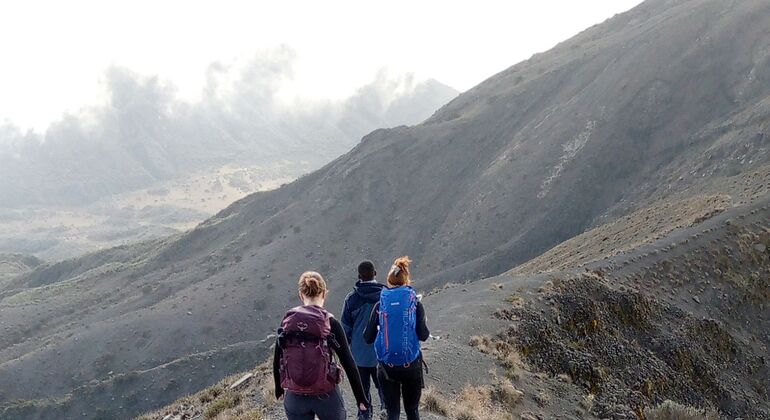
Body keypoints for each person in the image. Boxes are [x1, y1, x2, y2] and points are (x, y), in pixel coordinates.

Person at [273, 271, 370, 420]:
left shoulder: (288, 320)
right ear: (324, 293)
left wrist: (279, 389)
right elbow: (348, 362)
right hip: (326, 396)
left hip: (295, 396)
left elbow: (277, 356)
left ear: (301, 295)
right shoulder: (330, 323)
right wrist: (361, 399)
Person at [364, 257, 430, 420]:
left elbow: (367, 337)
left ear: (388, 281)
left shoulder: (380, 305)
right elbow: (424, 335)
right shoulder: (415, 304)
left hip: (387, 367)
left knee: (392, 412)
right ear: (406, 281)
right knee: (412, 410)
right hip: (411, 366)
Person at [341, 260, 386, 420]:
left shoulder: (351, 299)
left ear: (359, 276)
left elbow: (345, 328)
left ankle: (365, 414)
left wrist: (345, 353)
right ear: (375, 274)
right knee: (384, 388)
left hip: (359, 355)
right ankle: (386, 410)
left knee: (362, 390)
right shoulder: (385, 295)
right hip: (382, 353)